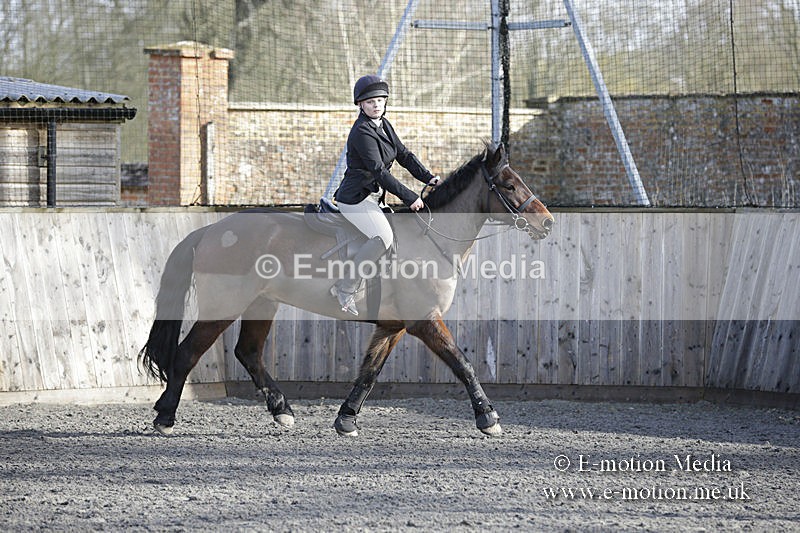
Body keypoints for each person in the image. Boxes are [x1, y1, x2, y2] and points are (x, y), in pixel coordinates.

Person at [331, 74, 440, 316]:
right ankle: (346, 288)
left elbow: (403, 154)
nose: (376, 104)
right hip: (356, 199)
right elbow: (379, 172)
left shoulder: (383, 124)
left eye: (380, 99)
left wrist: (428, 177)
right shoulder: (361, 131)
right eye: (370, 102)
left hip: (373, 198)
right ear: (360, 104)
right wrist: (410, 197)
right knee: (383, 237)